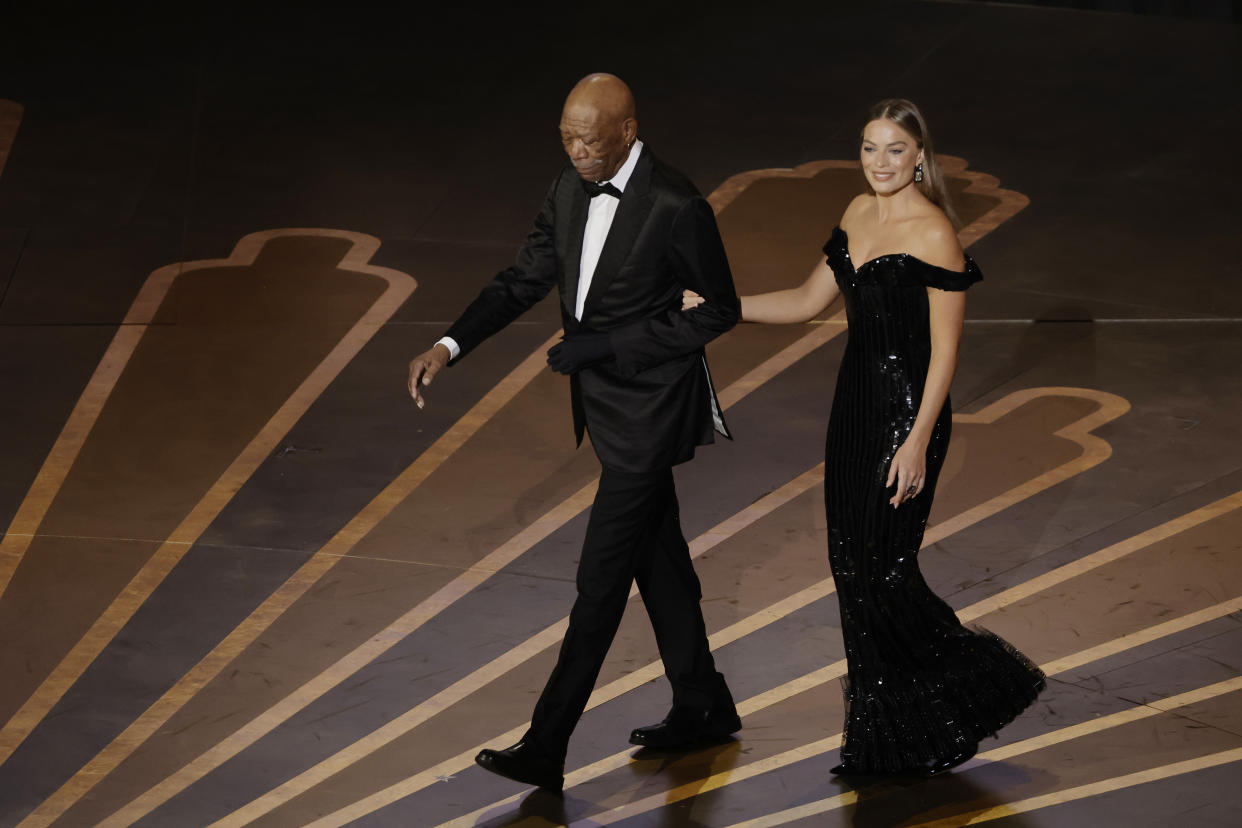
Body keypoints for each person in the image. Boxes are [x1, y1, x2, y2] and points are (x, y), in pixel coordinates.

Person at [683, 98, 1045, 776]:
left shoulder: (935, 233)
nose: (880, 162)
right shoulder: (855, 212)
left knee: (884, 573)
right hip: (853, 413)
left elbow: (945, 355)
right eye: (870, 148)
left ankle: (976, 683)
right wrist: (719, 309)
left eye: (894, 150)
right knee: (852, 570)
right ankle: (889, 740)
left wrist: (915, 440)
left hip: (908, 418)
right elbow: (803, 301)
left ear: (919, 158)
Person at [407, 73, 743, 793]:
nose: (579, 150)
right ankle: (704, 703)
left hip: (649, 413)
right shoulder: (568, 187)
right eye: (567, 136)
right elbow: (522, 278)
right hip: (606, 411)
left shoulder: (676, 203)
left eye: (591, 138)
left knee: (599, 584)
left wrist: (607, 347)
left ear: (627, 131)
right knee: (660, 566)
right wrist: (449, 345)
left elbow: (717, 312)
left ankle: (546, 744)